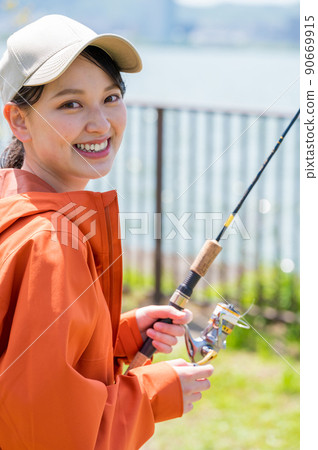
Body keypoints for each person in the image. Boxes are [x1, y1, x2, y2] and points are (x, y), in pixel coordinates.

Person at [0, 15, 213, 450]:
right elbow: (46, 434)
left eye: (111, 97)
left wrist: (119, 336)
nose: (100, 123)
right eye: (71, 104)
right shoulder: (50, 244)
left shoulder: (13, 204)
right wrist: (155, 393)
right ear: (19, 121)